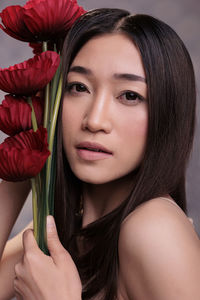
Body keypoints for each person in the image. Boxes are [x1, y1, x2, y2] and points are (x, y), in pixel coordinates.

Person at [0, 8, 200, 300]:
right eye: (78, 87)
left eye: (129, 95)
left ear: (166, 115)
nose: (94, 120)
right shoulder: (66, 229)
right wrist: (27, 154)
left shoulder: (154, 230)